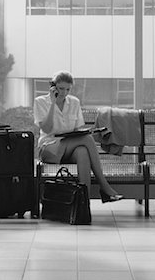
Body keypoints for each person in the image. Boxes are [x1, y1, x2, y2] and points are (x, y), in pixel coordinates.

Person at [34, 70, 124, 203]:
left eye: (67, 89)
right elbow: (46, 128)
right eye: (60, 88)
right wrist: (53, 103)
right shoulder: (41, 102)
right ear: (53, 87)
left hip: (68, 147)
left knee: (82, 151)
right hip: (49, 148)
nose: (64, 93)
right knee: (86, 139)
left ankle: (83, 201)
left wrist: (82, 133)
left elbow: (76, 130)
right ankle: (104, 186)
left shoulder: (74, 102)